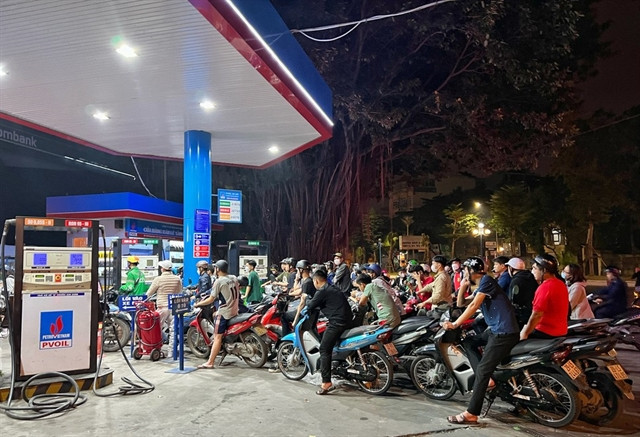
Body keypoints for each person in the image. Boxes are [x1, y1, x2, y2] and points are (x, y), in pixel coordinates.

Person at [443, 256, 519, 425]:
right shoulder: (482, 285)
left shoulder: (487, 281)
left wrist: (455, 324)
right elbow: (462, 303)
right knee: (469, 342)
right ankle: (489, 379)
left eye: (465, 270)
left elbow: (473, 306)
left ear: (471, 271)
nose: (463, 273)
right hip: (494, 330)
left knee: (484, 370)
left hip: (503, 333)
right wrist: (463, 287)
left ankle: (471, 413)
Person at [306, 268, 352, 395]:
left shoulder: (322, 291)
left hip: (338, 323)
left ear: (316, 281)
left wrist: (306, 300)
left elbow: (310, 305)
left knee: (324, 349)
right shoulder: (333, 288)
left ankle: (326, 382)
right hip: (348, 320)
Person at [195, 260, 239, 369]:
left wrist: (198, 304)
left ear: (217, 269)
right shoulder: (233, 278)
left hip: (225, 312)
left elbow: (211, 299)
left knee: (217, 337)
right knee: (215, 315)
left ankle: (210, 362)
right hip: (235, 310)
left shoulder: (219, 281)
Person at [520, 254, 568, 340]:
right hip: (561, 332)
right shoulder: (560, 284)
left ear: (544, 270)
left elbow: (537, 315)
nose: (532, 272)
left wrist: (525, 333)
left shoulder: (545, 287)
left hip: (545, 332)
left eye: (534, 269)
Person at [145, 260, 182, 355]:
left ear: (162, 269)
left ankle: (157, 348)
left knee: (156, 328)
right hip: (173, 307)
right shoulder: (177, 279)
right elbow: (179, 292)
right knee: (173, 330)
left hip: (162, 307)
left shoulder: (158, 279)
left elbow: (149, 293)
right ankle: (171, 352)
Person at [505, 258, 537, 328]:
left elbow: (513, 300)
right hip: (531, 313)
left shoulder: (516, 281)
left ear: (511, 268)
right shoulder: (531, 277)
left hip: (520, 317)